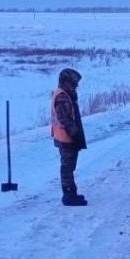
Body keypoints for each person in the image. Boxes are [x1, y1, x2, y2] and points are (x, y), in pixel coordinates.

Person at [51, 68, 88, 206]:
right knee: (67, 166)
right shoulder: (62, 96)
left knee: (69, 166)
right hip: (66, 138)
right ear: (67, 82)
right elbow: (65, 119)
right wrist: (75, 134)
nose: (76, 86)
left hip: (66, 137)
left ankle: (71, 192)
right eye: (74, 83)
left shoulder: (65, 94)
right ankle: (68, 195)